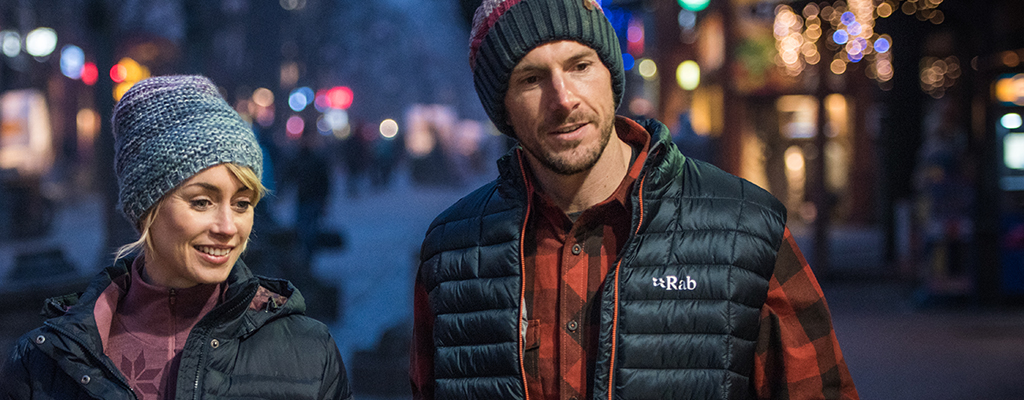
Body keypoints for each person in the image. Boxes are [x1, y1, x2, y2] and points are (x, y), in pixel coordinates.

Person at [410, 1, 859, 399]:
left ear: (610, 74)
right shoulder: (454, 250)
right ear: (501, 107)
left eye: (580, 65)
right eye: (531, 79)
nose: (563, 99)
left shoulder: (745, 229)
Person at [1, 75, 352, 400]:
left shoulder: (309, 353)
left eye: (242, 203)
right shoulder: (45, 363)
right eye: (202, 202)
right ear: (147, 206)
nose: (228, 227)